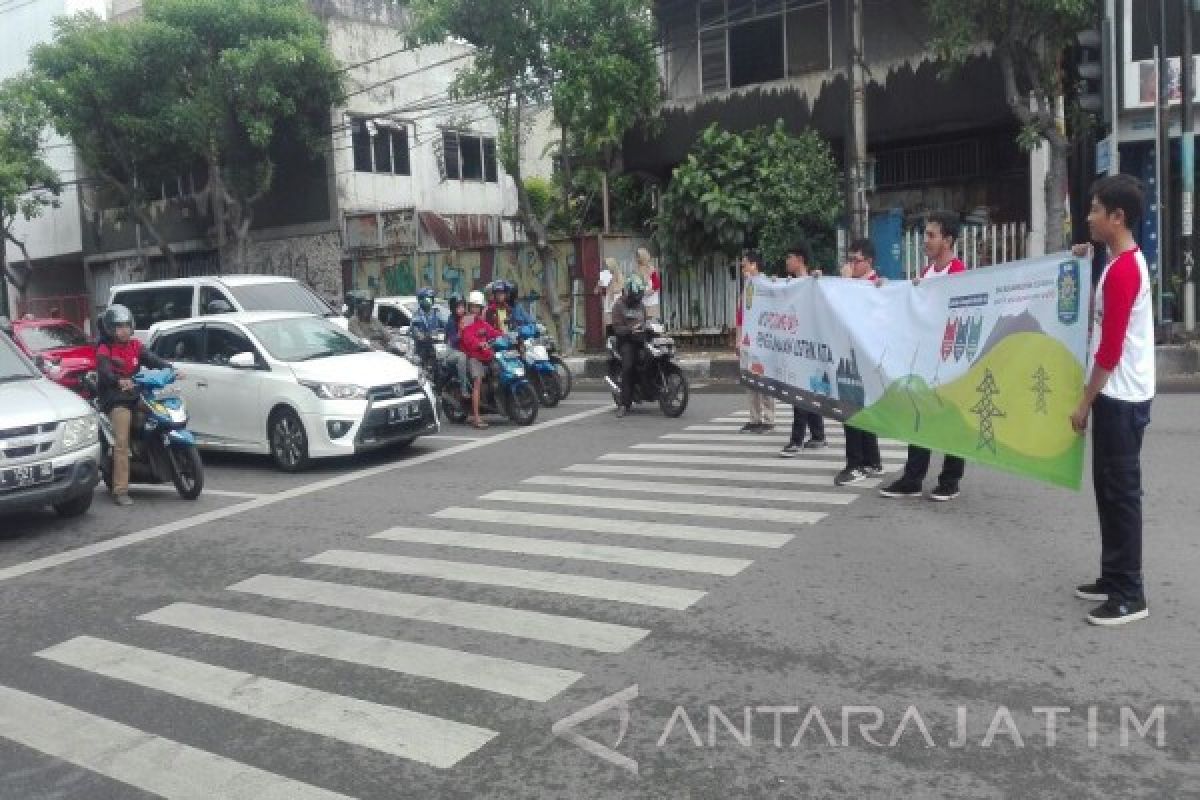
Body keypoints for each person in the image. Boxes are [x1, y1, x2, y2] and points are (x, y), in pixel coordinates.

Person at [1069, 175, 1154, 626]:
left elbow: (1109, 351)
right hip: (1116, 395)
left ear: (1116, 217)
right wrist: (1088, 254)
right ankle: (1113, 575)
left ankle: (1129, 593)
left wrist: (1084, 402)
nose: (1089, 217)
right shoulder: (1116, 260)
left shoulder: (1124, 270)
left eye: (1095, 210)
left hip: (1120, 397)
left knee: (1121, 495)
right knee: (1108, 490)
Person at [879, 211, 967, 501]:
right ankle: (913, 478)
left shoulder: (958, 273)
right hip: (924, 361)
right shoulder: (927, 274)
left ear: (948, 240)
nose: (925, 241)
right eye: (925, 235)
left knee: (951, 419)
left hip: (950, 361)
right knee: (918, 417)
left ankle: (950, 480)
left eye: (931, 236)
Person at [95, 304, 176, 506]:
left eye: (126, 326)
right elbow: (105, 372)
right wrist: (117, 381)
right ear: (110, 329)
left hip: (136, 395)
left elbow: (152, 359)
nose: (123, 330)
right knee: (121, 442)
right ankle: (120, 490)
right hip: (116, 400)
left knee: (162, 416)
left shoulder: (136, 346)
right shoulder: (105, 348)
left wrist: (171, 369)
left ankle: (158, 460)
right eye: (118, 326)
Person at [834, 239, 885, 485]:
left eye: (857, 260)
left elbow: (852, 314)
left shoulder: (872, 286)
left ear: (869, 262)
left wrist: (845, 284)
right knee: (861, 410)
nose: (852, 265)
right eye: (850, 260)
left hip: (863, 358)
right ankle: (872, 461)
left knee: (852, 410)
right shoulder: (857, 285)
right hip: (854, 355)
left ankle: (855, 464)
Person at [778, 242, 828, 457]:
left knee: (800, 394)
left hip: (809, 347)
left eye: (789, 257)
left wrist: (818, 278)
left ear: (799, 259)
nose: (786, 261)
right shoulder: (790, 284)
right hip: (795, 346)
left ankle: (796, 440)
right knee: (807, 392)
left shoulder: (812, 282)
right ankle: (817, 435)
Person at [737, 251, 775, 433]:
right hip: (746, 339)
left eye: (745, 265)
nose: (742, 268)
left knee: (763, 379)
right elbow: (740, 316)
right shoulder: (747, 286)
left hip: (761, 341)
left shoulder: (766, 284)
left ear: (754, 265)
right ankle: (754, 418)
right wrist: (738, 340)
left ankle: (768, 419)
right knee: (749, 380)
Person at [459, 290, 505, 429]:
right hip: (473, 356)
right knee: (478, 380)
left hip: (486, 354)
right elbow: (467, 338)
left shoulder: (481, 321)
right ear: (469, 307)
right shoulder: (465, 321)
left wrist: (506, 335)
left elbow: (492, 331)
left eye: (477, 307)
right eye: (473, 306)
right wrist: (478, 344)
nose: (475, 309)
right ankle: (477, 418)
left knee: (501, 368)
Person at [610, 274, 648, 418]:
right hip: (626, 342)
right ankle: (624, 404)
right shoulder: (619, 305)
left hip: (641, 340)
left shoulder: (640, 305)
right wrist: (630, 330)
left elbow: (646, 321)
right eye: (635, 296)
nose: (637, 300)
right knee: (628, 367)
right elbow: (617, 328)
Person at [409, 287, 446, 368]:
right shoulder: (416, 316)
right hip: (423, 349)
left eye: (432, 298)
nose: (431, 300)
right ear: (421, 300)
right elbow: (415, 332)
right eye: (429, 298)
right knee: (424, 369)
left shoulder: (436, 313)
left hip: (438, 346)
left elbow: (444, 325)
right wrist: (423, 336)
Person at [597, 258, 622, 337]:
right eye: (605, 266)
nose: (606, 268)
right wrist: (599, 285)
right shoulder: (605, 275)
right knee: (608, 325)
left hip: (616, 302)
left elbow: (620, 287)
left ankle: (617, 342)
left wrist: (611, 288)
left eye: (607, 266)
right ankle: (610, 342)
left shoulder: (618, 274)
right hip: (608, 303)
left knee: (617, 324)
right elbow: (596, 291)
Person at [636, 247, 661, 321]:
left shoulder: (651, 269)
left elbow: (657, 284)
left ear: (642, 257)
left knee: (652, 323)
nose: (636, 258)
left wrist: (651, 291)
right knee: (642, 323)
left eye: (638, 256)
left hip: (652, 301)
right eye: (636, 256)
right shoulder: (637, 270)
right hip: (642, 301)